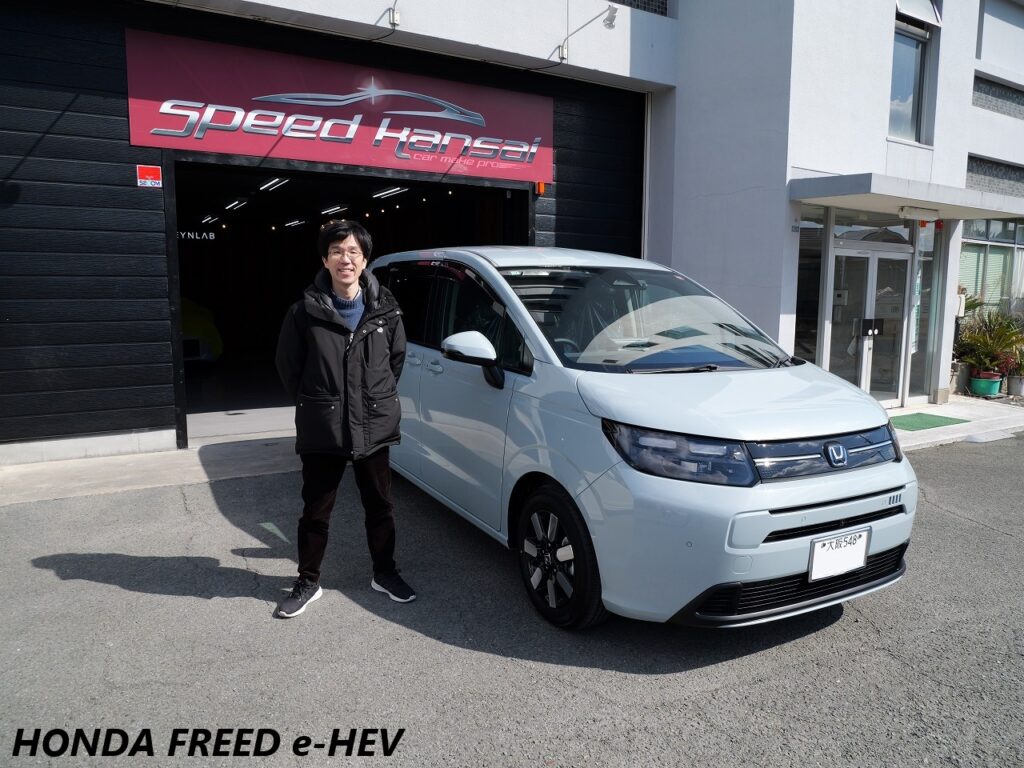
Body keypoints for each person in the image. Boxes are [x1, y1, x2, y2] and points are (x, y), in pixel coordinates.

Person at [274, 219, 414, 618]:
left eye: (353, 251)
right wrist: (319, 404)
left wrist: (373, 400)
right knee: (316, 511)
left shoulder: (386, 311)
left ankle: (384, 573)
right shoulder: (304, 312)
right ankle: (308, 581)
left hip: (374, 426)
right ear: (325, 259)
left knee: (380, 507)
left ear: (365, 260)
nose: (345, 259)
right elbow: (289, 368)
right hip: (324, 428)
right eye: (337, 251)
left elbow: (395, 362)